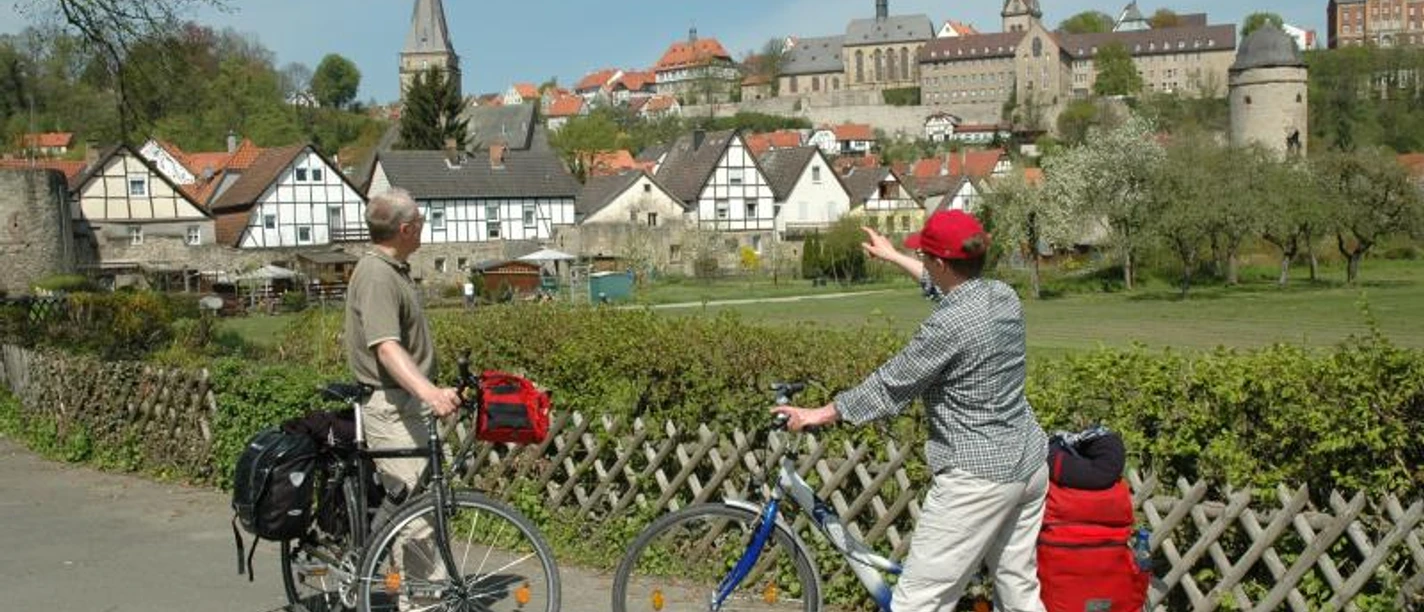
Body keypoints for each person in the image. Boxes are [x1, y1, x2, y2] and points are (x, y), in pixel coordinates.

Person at [773, 210, 1050, 612]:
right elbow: (952, 291)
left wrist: (819, 413)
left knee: (918, 602)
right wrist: (893, 256)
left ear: (939, 263)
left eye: (924, 256)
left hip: (978, 478)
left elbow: (891, 385)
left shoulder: (947, 327)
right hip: (1028, 464)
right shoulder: (1002, 295)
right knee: (1019, 590)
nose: (922, 261)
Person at [343, 188, 461, 604]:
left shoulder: (392, 269)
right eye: (421, 221)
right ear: (406, 229)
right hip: (391, 407)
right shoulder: (377, 276)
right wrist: (428, 391)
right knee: (417, 522)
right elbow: (387, 347)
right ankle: (424, 604)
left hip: (405, 404)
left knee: (417, 508)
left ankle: (406, 591)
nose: (424, 227)